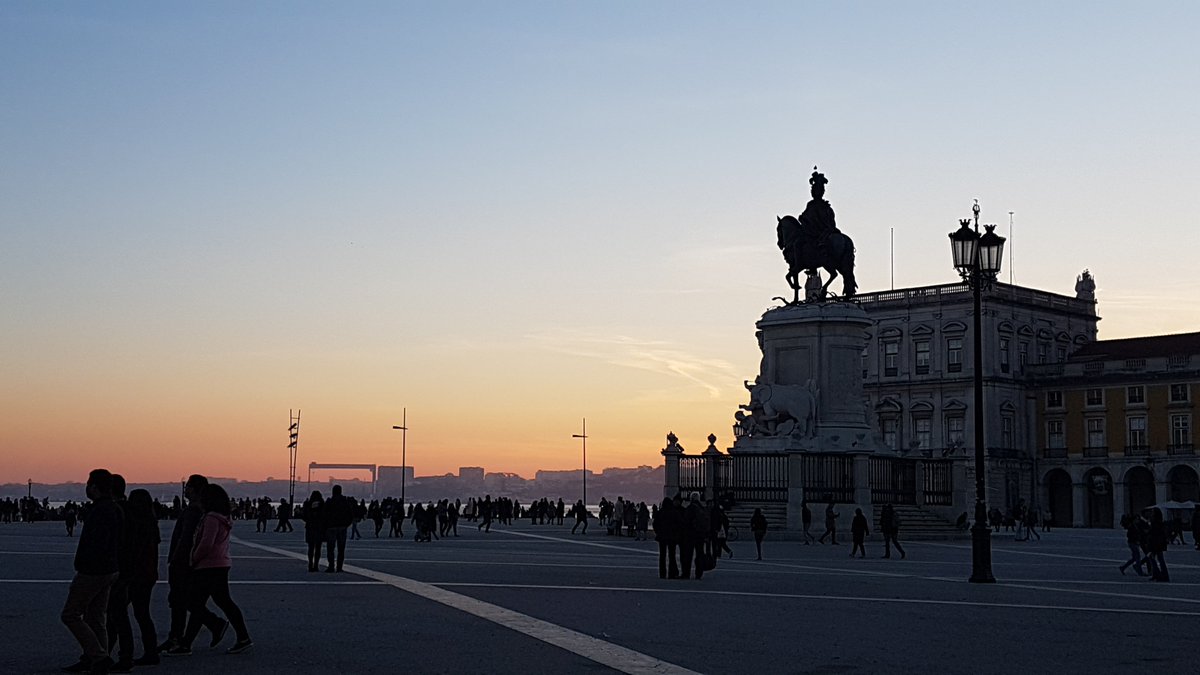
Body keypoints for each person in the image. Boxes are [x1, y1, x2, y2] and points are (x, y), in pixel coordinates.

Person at [165, 483, 252, 656]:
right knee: (214, 602)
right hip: (220, 564)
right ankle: (190, 642)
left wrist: (193, 558)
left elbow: (206, 543)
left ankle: (219, 628)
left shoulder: (211, 518)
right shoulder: (222, 517)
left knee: (195, 603)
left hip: (209, 565)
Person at [60, 469, 123, 675]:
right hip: (110, 569)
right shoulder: (114, 508)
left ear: (94, 487)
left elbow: (96, 543)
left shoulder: (99, 511)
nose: (86, 487)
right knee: (96, 616)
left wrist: (83, 565)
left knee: (70, 614)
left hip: (93, 571)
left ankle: (98, 656)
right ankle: (95, 658)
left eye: (88, 484)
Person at [159, 475, 208, 654]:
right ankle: (176, 636)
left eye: (188, 487)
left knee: (178, 601)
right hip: (185, 562)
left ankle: (176, 637)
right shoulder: (197, 510)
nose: (185, 489)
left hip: (182, 563)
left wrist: (176, 560)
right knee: (180, 600)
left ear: (195, 490)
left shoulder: (193, 511)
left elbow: (186, 538)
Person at [124, 489, 161, 667]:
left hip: (136, 574)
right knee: (142, 614)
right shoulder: (151, 522)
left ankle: (110, 651)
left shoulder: (136, 523)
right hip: (148, 573)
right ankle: (151, 651)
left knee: (119, 612)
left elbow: (132, 550)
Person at [325, 485, 353, 572]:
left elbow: (324, 514)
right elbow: (350, 514)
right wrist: (346, 524)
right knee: (341, 549)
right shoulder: (345, 502)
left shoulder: (329, 502)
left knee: (330, 548)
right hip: (342, 527)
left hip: (331, 527)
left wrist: (327, 525)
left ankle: (331, 566)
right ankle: (339, 567)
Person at [653, 498, 680, 579]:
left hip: (662, 536)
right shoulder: (675, 512)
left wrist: (658, 532)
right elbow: (679, 524)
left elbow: (655, 524)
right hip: (672, 537)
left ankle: (662, 573)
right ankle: (671, 573)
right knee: (672, 556)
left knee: (662, 556)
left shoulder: (660, 512)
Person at [301, 491, 326, 572]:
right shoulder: (322, 504)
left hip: (310, 527)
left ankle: (310, 564)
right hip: (319, 528)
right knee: (318, 548)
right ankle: (316, 565)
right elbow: (325, 516)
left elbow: (304, 516)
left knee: (310, 548)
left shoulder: (307, 504)